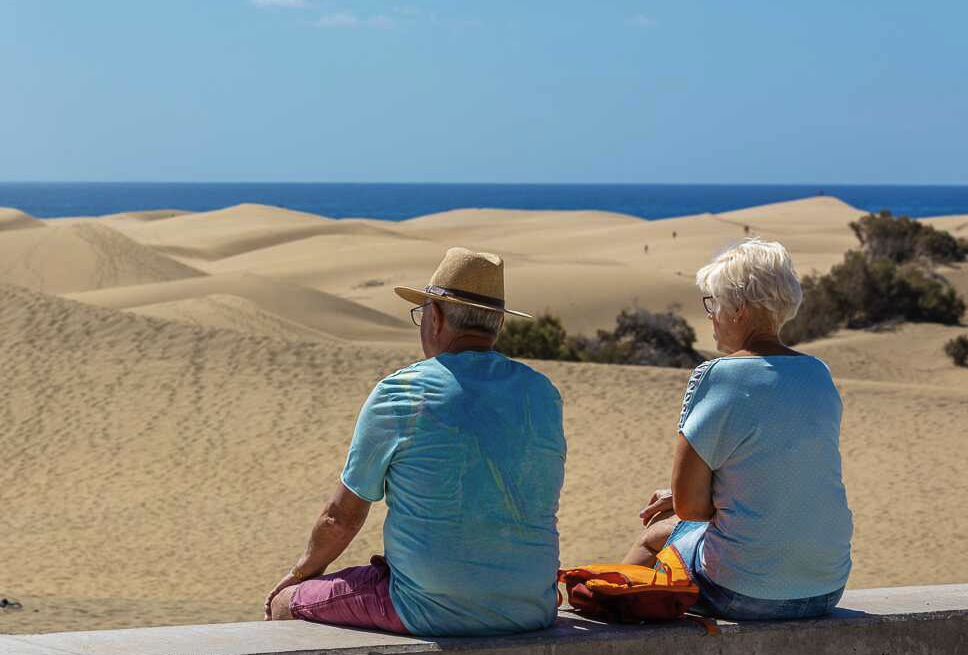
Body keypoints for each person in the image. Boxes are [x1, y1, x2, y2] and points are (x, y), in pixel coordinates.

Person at [264, 247, 566, 636]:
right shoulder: (542, 395)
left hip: (425, 610)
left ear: (435, 318)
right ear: (498, 326)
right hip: (532, 608)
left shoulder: (402, 393)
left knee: (286, 604)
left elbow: (340, 519)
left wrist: (299, 576)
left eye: (422, 313)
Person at [623, 238, 853, 620]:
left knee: (654, 536)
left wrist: (693, 499)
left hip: (742, 591)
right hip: (827, 587)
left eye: (712, 303)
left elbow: (690, 508)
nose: (710, 315)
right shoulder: (819, 374)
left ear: (739, 309)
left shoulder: (718, 376)